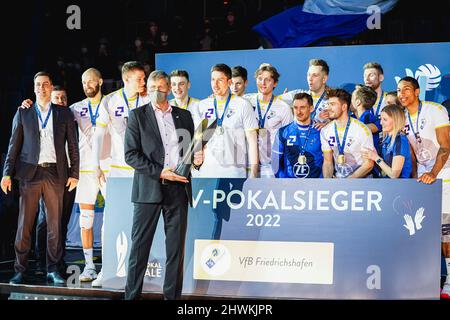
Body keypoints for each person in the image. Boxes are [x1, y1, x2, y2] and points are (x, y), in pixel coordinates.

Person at [124, 70, 203, 300]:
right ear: (146, 90)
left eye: (160, 88)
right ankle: (131, 297)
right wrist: (161, 173)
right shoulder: (137, 116)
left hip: (178, 189)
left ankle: (172, 298)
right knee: (139, 250)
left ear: (168, 89)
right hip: (148, 189)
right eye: (151, 89)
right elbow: (131, 155)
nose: (156, 92)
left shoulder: (184, 116)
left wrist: (197, 160)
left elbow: (190, 152)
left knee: (175, 251)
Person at [1, 72, 79, 285]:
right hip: (30, 174)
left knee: (54, 225)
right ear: (34, 88)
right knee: (24, 224)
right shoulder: (23, 112)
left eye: (45, 84)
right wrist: (6, 173)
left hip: (55, 173)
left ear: (51, 87)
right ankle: (20, 269)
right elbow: (13, 145)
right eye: (38, 85)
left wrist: (75, 174)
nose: (42, 88)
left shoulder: (63, 113)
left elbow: (73, 146)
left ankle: (53, 269)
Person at [91, 61, 149, 287]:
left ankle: (140, 273)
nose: (143, 82)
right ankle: (106, 270)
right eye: (139, 79)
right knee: (110, 221)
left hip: (142, 172)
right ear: (126, 80)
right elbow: (98, 134)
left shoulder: (147, 100)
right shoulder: (110, 100)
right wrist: (96, 165)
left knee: (141, 222)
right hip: (117, 171)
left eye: (144, 79)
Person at [397, 76, 450, 298]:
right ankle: (426, 281)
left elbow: (446, 145)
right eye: (399, 90)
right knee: (425, 231)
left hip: (444, 174)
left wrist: (433, 173)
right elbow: (411, 154)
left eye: (407, 89)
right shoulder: (401, 117)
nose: (402, 94)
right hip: (422, 179)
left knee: (446, 231)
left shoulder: (434, 110)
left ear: (417, 92)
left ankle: (449, 283)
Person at [194, 63, 259, 178]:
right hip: (207, 173)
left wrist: (254, 174)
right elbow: (197, 139)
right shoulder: (201, 106)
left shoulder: (243, 105)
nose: (215, 84)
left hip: (234, 173)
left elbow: (252, 141)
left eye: (220, 80)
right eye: (213, 79)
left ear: (229, 82)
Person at [243, 63, 293, 177]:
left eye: (267, 80)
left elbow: (289, 140)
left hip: (271, 167)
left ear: (275, 83)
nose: (263, 83)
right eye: (260, 79)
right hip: (247, 165)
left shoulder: (283, 108)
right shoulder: (245, 102)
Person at [320, 88, 374, 178]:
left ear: (344, 107)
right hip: (339, 181)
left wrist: (348, 182)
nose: (328, 108)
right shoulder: (325, 131)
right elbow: (328, 162)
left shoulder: (362, 130)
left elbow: (368, 164)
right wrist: (328, 183)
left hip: (361, 183)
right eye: (328, 104)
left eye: (332, 104)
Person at [272, 92, 323, 178]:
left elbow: (329, 161)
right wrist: (284, 182)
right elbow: (275, 162)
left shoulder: (321, 131)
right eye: (295, 108)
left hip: (316, 186)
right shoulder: (283, 132)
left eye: (302, 107)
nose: (298, 112)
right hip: (291, 186)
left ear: (311, 108)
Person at [362, 104, 412, 178]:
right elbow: (384, 168)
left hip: (400, 187)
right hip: (387, 184)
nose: (381, 123)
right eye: (380, 119)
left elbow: (394, 175)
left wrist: (376, 158)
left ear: (395, 120)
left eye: (385, 119)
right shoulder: (387, 138)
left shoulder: (400, 140)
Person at [280, 59, 331, 129]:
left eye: (315, 75)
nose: (310, 78)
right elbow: (271, 100)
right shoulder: (297, 95)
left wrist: (328, 125)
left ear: (324, 79)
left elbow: (343, 121)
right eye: (308, 75)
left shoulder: (332, 101)